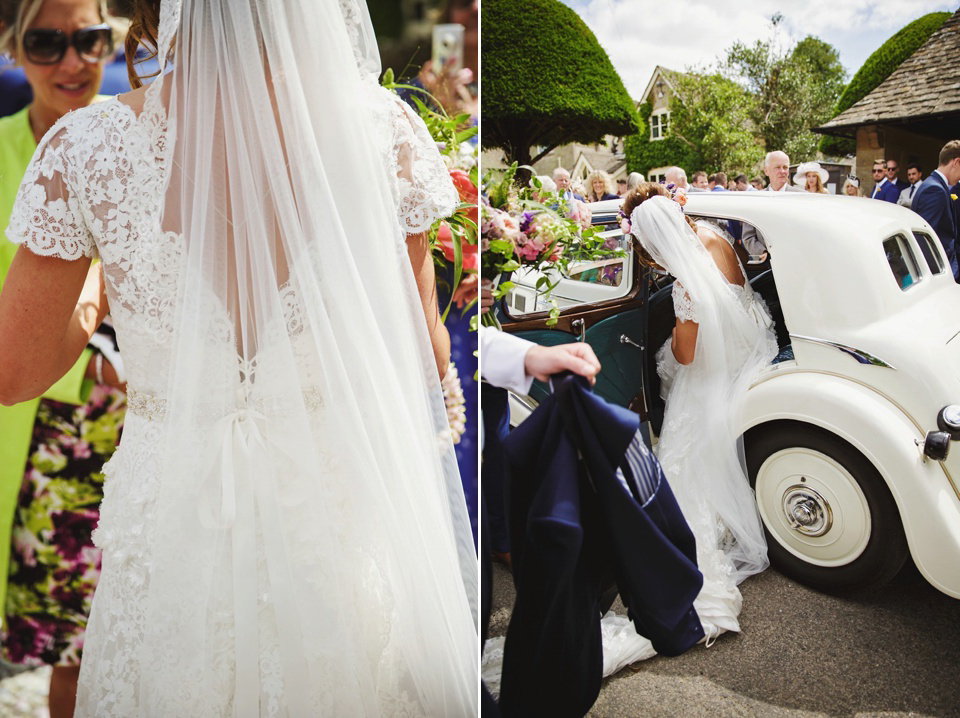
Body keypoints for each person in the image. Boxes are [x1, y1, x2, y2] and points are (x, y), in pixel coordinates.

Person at [0, 0, 478, 715]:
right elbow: (419, 354)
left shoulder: (87, 147)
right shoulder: (384, 129)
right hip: (334, 530)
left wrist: (99, 291)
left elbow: (16, 373)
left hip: (171, 539)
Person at [0, 3, 125, 716]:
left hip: (142, 431)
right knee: (73, 652)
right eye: (48, 43)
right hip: (38, 435)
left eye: (90, 40)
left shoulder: (135, 141)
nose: (73, 61)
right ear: (14, 49)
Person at [622, 181, 776, 646]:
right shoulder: (714, 235)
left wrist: (669, 339)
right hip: (753, 346)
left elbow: (686, 357)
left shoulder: (684, 282)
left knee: (683, 442)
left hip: (712, 372)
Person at [912, 140, 960, 280]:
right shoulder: (935, 190)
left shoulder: (933, 184)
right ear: (956, 162)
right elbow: (924, 238)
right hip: (939, 272)